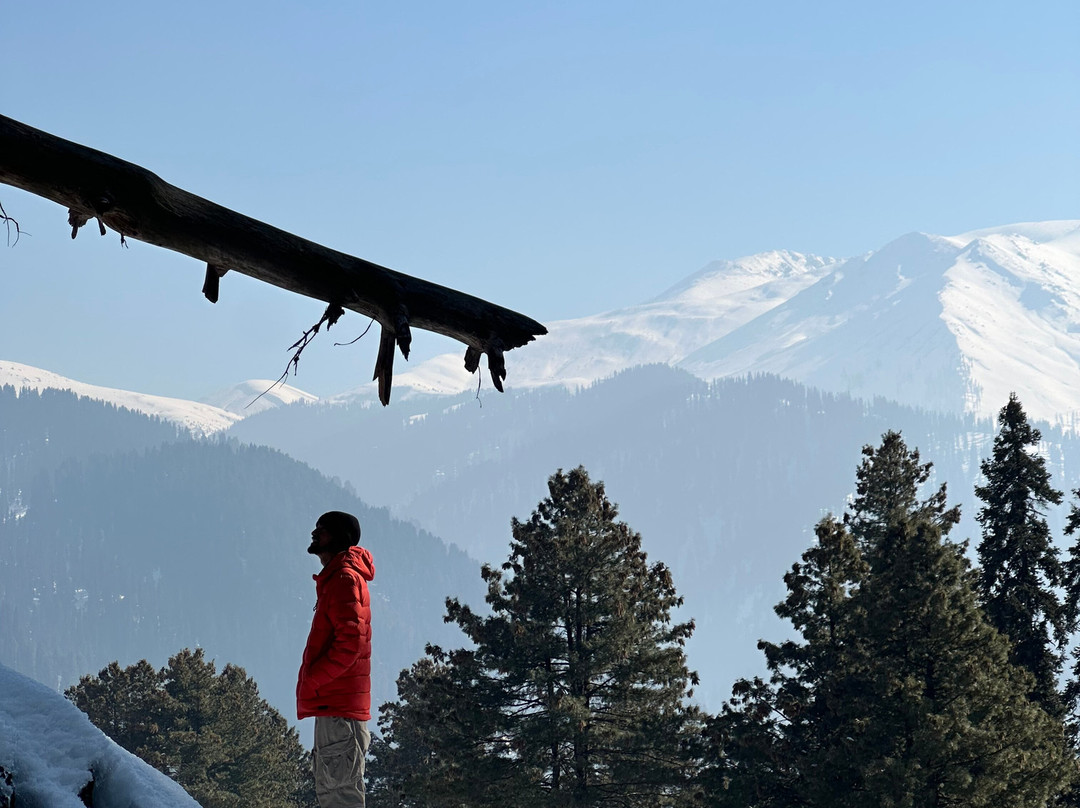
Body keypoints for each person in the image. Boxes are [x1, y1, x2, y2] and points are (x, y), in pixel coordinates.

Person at [297, 511, 375, 808]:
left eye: (323, 530)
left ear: (340, 537)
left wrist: (314, 680)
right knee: (334, 792)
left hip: (338, 707)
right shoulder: (339, 577)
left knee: (339, 796)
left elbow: (350, 643)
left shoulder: (343, 579)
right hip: (337, 706)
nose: (315, 533)